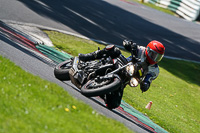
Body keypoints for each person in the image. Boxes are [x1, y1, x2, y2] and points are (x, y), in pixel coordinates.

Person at [79, 40, 165, 93]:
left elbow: (148, 80)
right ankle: (89, 56)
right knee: (114, 50)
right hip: (124, 64)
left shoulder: (154, 70)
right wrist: (129, 44)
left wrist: (145, 85)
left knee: (114, 104)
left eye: (158, 56)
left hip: (129, 76)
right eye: (153, 54)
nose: (154, 58)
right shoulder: (141, 50)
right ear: (148, 50)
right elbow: (130, 45)